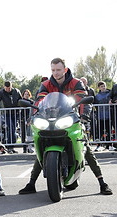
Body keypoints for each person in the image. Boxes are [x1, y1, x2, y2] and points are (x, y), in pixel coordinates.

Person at [19, 57, 113, 195]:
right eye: (53, 70)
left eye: (58, 70)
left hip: (71, 119)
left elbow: (83, 100)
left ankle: (102, 183)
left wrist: (84, 117)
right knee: (42, 146)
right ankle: (31, 183)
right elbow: (39, 100)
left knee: (86, 148)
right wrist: (34, 115)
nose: (55, 73)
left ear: (65, 70)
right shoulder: (46, 84)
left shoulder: (76, 83)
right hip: (50, 119)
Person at [0, 81, 22, 153]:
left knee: (14, 129)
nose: (8, 90)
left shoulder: (16, 91)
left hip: (15, 113)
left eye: (9, 88)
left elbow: (21, 100)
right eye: (6, 88)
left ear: (11, 86)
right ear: (4, 87)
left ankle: (11, 147)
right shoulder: (1, 92)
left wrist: (22, 106)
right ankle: (9, 146)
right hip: (7, 113)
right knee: (11, 128)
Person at [94, 81, 112, 151]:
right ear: (99, 88)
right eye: (101, 86)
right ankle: (99, 145)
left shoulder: (109, 94)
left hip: (108, 115)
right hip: (100, 116)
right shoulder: (97, 96)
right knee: (100, 130)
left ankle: (109, 145)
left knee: (109, 130)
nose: (103, 87)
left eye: (104, 86)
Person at [20, 89, 34, 153]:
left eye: (27, 94)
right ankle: (24, 148)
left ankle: (29, 147)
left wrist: (30, 120)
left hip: (29, 120)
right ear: (23, 95)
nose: (26, 95)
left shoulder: (31, 102)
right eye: (25, 94)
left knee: (30, 134)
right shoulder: (21, 101)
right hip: (23, 119)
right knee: (23, 134)